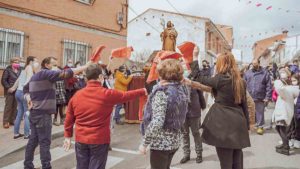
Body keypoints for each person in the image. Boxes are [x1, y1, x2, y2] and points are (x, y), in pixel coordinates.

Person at [63, 64, 147, 169]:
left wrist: (67, 136)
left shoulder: (77, 95)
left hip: (81, 139)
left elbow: (69, 117)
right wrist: (143, 91)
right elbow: (126, 96)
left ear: (86, 78)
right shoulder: (107, 94)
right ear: (100, 77)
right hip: (99, 139)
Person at [185, 52, 250, 169]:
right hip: (238, 123)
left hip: (223, 125)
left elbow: (198, 76)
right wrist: (247, 126)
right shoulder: (241, 81)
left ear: (221, 64)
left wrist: (194, 57)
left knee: (226, 162)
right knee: (237, 161)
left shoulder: (220, 79)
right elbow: (244, 105)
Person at [23, 57, 91, 169]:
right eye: (54, 65)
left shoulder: (35, 76)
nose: (56, 67)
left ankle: (27, 165)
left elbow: (25, 89)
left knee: (33, 141)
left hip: (35, 113)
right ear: (47, 65)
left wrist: (28, 97)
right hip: (43, 115)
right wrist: (85, 66)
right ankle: (46, 166)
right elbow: (67, 73)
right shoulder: (46, 73)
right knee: (45, 142)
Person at [140, 59, 189, 169]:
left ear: (162, 74)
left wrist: (144, 143)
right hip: (174, 140)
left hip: (161, 143)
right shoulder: (181, 89)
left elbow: (157, 121)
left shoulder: (163, 92)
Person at [180, 64, 207, 164]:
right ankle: (186, 154)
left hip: (194, 112)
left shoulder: (194, 83)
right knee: (185, 134)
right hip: (183, 113)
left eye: (186, 69)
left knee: (196, 133)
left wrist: (203, 107)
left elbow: (201, 95)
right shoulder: (178, 83)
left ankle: (199, 154)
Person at [273, 68, 299, 155]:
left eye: (283, 72)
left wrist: (277, 80)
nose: (282, 74)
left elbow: (280, 89)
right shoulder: (288, 87)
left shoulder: (288, 89)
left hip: (283, 112)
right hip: (282, 111)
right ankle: (285, 144)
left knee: (282, 129)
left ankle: (286, 147)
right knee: (278, 127)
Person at [244, 59, 272, 135]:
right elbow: (244, 84)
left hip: (260, 96)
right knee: (251, 112)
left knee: (260, 112)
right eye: (252, 64)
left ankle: (260, 126)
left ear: (259, 63)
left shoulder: (265, 73)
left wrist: (267, 96)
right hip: (250, 96)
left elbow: (269, 86)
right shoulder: (247, 73)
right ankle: (253, 124)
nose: (254, 65)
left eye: (255, 64)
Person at [11, 56, 37, 139]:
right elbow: (29, 79)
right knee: (27, 113)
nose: (37, 63)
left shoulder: (24, 69)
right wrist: (26, 89)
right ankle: (27, 134)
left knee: (19, 113)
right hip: (24, 93)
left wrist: (13, 88)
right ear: (31, 62)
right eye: (36, 61)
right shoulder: (29, 67)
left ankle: (16, 133)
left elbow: (18, 80)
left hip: (18, 92)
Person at [1, 57, 21, 129]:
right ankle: (6, 122)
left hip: (17, 90)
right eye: (15, 62)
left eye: (18, 62)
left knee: (15, 106)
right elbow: (3, 80)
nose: (17, 63)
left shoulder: (19, 70)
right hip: (9, 90)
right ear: (11, 62)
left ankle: (12, 120)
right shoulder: (7, 70)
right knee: (8, 106)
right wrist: (8, 87)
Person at [287, 74, 300, 149]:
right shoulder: (290, 88)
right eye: (292, 81)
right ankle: (291, 139)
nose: (293, 82)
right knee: (291, 124)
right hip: (292, 108)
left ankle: (297, 140)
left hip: (297, 109)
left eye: (294, 80)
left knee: (297, 125)